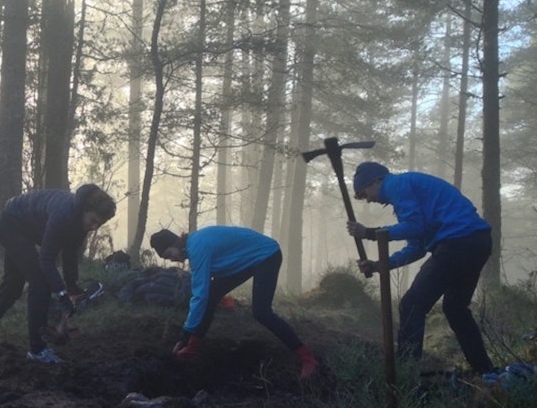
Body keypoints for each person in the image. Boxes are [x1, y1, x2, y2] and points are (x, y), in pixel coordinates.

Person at [345, 161, 496, 375]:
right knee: (455, 309)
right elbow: (416, 248)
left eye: (364, 193)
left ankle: (406, 374)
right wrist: (379, 265)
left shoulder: (397, 184)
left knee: (411, 304)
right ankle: (486, 372)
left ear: (376, 180)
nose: (368, 200)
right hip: (477, 243)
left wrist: (369, 232)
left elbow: (414, 227)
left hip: (457, 243)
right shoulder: (407, 193)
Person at [0, 184, 117, 363]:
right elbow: (46, 259)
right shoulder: (63, 215)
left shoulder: (80, 223)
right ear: (85, 209)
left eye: (99, 224)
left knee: (12, 287)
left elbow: (70, 255)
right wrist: (62, 294)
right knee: (40, 284)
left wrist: (72, 287)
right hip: (12, 224)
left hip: (23, 228)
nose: (94, 227)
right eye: (93, 220)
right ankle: (37, 350)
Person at [149, 226, 319, 380]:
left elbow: (199, 296)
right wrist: (188, 338)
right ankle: (192, 348)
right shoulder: (193, 244)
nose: (171, 260)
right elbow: (205, 293)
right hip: (246, 258)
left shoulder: (197, 248)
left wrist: (185, 334)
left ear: (175, 243)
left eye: (169, 254)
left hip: (266, 255)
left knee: (261, 312)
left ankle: (307, 358)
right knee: (212, 294)